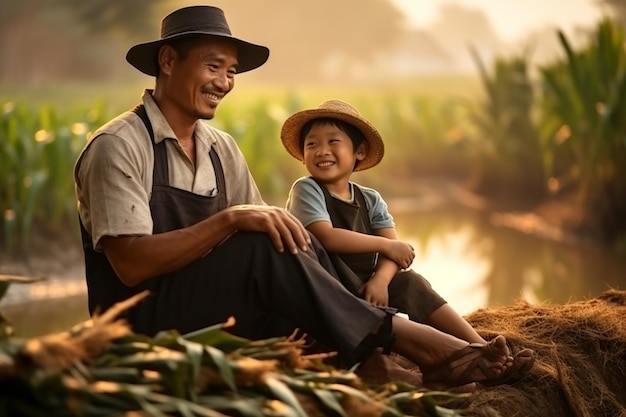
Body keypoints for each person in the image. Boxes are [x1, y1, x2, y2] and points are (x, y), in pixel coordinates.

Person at [74, 5, 526, 388]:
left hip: (218, 316)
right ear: (169, 61)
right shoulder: (119, 145)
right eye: (213, 67)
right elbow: (130, 265)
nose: (225, 83)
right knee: (258, 240)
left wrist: (266, 225)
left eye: (231, 72)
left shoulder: (220, 148)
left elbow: (275, 241)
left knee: (287, 235)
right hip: (146, 327)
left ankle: (379, 360)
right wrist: (230, 220)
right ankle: (418, 343)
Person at [282, 99, 491, 346]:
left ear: (358, 151)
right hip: (325, 287)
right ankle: (448, 352)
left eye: (333, 141)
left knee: (411, 282)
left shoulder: (370, 199)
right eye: (312, 144)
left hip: (362, 286)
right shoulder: (307, 189)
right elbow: (327, 235)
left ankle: (478, 345)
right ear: (303, 156)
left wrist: (380, 281)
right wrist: (386, 246)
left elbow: (396, 251)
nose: (322, 150)